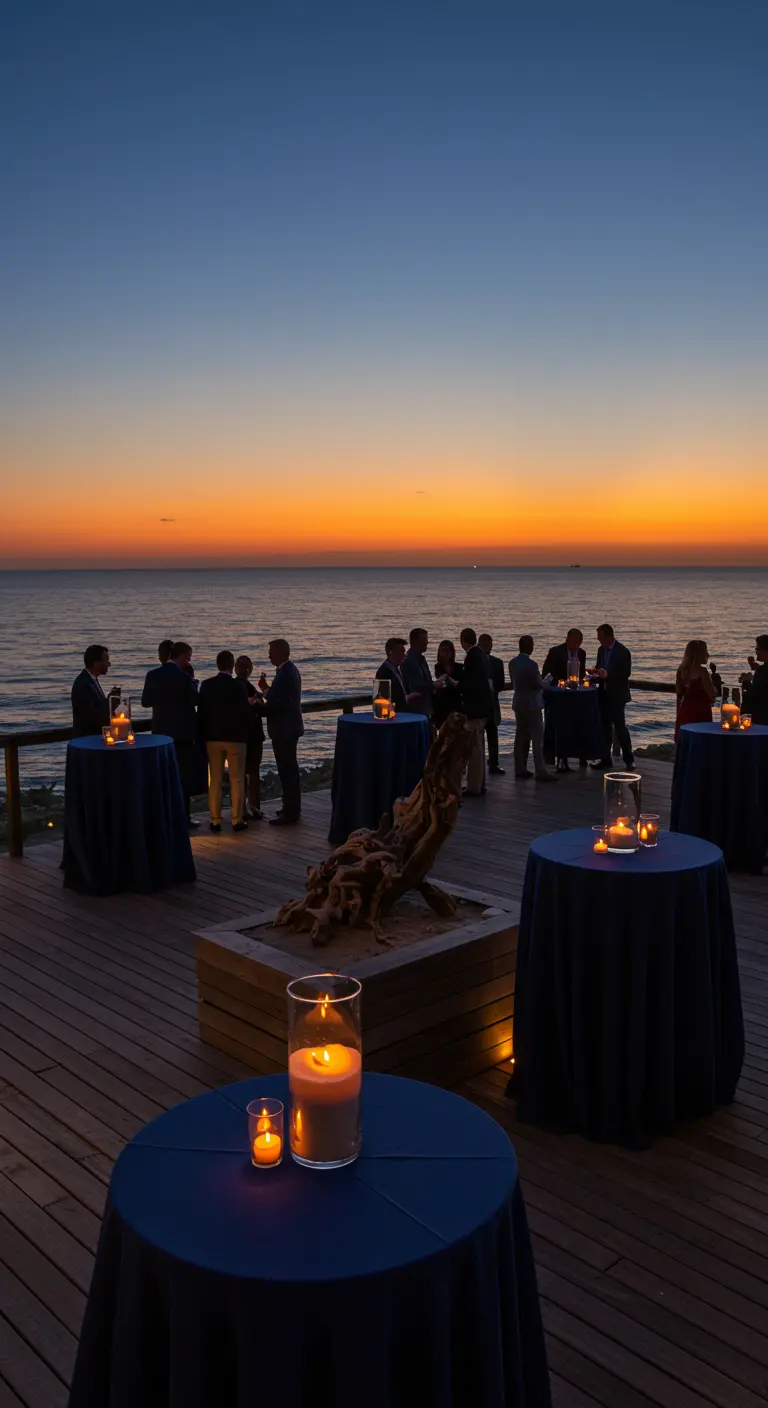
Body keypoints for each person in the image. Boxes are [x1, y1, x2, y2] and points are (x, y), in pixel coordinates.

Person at [141, 640, 199, 826]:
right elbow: (194, 700)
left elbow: (145, 701)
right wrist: (194, 684)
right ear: (181, 656)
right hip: (182, 734)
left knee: (162, 777)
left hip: (160, 733)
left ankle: (163, 816)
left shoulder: (153, 675)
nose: (188, 661)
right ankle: (184, 817)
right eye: (188, 657)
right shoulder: (184, 678)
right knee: (183, 778)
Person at [197, 651, 252, 833]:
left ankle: (215, 819)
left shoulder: (207, 685)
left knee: (215, 779)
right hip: (236, 738)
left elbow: (202, 713)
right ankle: (237, 819)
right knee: (237, 779)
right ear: (232, 665)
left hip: (212, 738)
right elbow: (245, 713)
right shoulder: (238, 687)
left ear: (217, 664)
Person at [257, 639, 304, 826]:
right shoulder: (287, 671)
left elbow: (281, 704)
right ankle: (289, 807)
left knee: (287, 770)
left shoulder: (286, 673)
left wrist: (259, 707)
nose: (269, 655)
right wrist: (266, 690)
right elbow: (281, 698)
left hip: (285, 729)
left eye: (271, 651)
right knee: (288, 769)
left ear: (281, 653)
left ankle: (291, 811)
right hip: (288, 728)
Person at [508, 636, 556, 782]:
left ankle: (519, 768)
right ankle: (540, 770)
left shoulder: (512, 663)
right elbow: (538, 685)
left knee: (520, 737)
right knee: (537, 739)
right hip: (532, 705)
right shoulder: (532, 665)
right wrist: (547, 680)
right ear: (530, 646)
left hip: (519, 703)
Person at [588, 624, 634, 770]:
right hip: (603, 694)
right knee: (604, 728)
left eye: (600, 637)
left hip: (617, 695)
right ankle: (605, 758)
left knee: (620, 728)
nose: (598, 640)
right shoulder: (601, 650)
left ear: (608, 636)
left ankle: (629, 760)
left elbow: (625, 674)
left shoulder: (623, 651)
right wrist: (595, 673)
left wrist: (608, 675)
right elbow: (600, 667)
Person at [542, 628, 588, 771]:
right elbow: (546, 673)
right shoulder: (555, 652)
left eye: (579, 642)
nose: (576, 645)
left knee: (572, 727)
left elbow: (580, 674)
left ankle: (574, 757)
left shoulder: (581, 653)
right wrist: (560, 682)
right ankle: (552, 759)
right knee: (554, 727)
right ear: (567, 639)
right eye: (574, 642)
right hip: (557, 696)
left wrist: (581, 682)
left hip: (574, 697)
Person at [459, 628, 490, 796]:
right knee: (479, 746)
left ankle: (473, 786)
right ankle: (480, 782)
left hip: (475, 708)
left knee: (474, 748)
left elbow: (470, 683)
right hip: (483, 707)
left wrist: (457, 684)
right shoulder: (481, 654)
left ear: (463, 640)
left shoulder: (471, 656)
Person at [235, 654, 265, 819]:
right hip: (252, 735)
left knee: (239, 773)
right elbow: (260, 708)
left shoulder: (232, 687)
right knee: (253, 772)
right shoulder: (249, 688)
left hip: (237, 735)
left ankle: (241, 807)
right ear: (249, 670)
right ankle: (253, 806)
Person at [675, 639, 715, 739]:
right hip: (701, 712)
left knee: (687, 739)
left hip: (685, 710)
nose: (708, 655)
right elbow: (712, 695)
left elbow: (679, 692)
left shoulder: (681, 671)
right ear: (700, 654)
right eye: (705, 652)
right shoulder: (702, 672)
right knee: (701, 739)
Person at [71, 645, 113, 736]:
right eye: (106, 660)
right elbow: (91, 717)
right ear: (96, 663)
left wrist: (110, 700)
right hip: (88, 739)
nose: (109, 664)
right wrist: (109, 702)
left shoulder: (91, 680)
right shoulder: (83, 684)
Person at [478, 632, 505, 775]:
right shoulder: (497, 662)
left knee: (487, 735)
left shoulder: (475, 661)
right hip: (489, 703)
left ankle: (488, 763)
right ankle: (492, 763)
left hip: (485, 703)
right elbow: (500, 686)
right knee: (491, 735)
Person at [401, 627, 441, 718]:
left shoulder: (422, 659)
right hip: (415, 711)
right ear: (415, 642)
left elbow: (427, 680)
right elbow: (414, 686)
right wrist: (434, 685)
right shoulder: (408, 662)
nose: (426, 643)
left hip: (426, 708)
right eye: (424, 641)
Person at [375, 637, 420, 713]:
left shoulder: (396, 670)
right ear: (391, 652)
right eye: (401, 652)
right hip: (392, 717)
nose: (404, 655)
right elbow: (382, 700)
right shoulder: (384, 672)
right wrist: (407, 698)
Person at [432, 639, 463, 729]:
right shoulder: (438, 667)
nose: (445, 653)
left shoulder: (459, 667)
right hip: (442, 702)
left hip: (456, 701)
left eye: (447, 650)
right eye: (443, 650)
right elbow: (443, 680)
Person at [740, 634, 768, 724]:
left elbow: (755, 695)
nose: (756, 652)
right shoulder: (762, 669)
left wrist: (746, 681)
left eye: (758, 649)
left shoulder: (763, 670)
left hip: (762, 718)